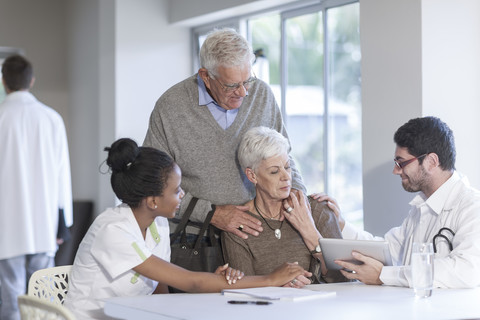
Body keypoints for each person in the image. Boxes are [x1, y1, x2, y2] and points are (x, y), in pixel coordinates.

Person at [64, 138, 310, 320]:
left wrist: (216, 280)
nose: (182, 195)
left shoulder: (156, 223)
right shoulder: (113, 230)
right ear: (152, 201)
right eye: (176, 190)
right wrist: (271, 279)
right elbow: (190, 282)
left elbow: (160, 288)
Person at [143, 28, 306, 245]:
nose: (243, 92)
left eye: (247, 80)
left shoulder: (262, 94)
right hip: (195, 239)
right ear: (206, 76)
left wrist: (300, 194)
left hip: (256, 234)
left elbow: (285, 158)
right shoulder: (170, 107)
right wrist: (211, 213)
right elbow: (152, 183)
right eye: (231, 85)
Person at [333, 116, 480, 288]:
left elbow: (467, 270)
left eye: (401, 163)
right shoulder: (421, 208)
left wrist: (384, 275)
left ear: (432, 161)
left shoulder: (472, 206)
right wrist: (341, 224)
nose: (396, 171)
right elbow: (386, 250)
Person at [222, 127, 346, 286]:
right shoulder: (239, 225)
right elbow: (243, 291)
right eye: (274, 171)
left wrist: (309, 231)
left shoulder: (318, 210)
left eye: (287, 167)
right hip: (269, 310)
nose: (286, 177)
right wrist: (278, 284)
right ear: (252, 175)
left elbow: (344, 278)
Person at [0, 54, 73, 320]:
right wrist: (63, 223)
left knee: (11, 301)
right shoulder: (50, 118)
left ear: (4, 81)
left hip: (6, 225)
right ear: (31, 80)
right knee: (42, 300)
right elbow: (62, 174)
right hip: (44, 222)